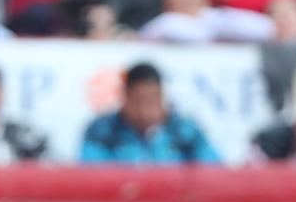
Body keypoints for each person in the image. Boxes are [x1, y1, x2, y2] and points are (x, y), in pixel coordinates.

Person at [79, 62, 221, 165]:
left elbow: (213, 170)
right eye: (138, 100)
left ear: (161, 97)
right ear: (125, 97)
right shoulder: (102, 132)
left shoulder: (185, 131)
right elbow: (93, 173)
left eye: (151, 100)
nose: (144, 110)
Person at [138, 0, 274, 43]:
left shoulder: (218, 18)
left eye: (190, 2)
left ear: (204, 2)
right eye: (180, 3)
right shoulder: (166, 22)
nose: (187, 8)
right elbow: (170, 27)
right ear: (168, 7)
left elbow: (266, 29)